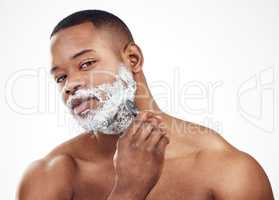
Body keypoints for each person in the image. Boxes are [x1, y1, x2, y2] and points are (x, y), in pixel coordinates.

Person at [16, 10, 274, 200]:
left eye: (86, 64)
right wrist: (128, 191)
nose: (70, 84)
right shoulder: (50, 176)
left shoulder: (228, 171)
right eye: (60, 77)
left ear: (133, 59)